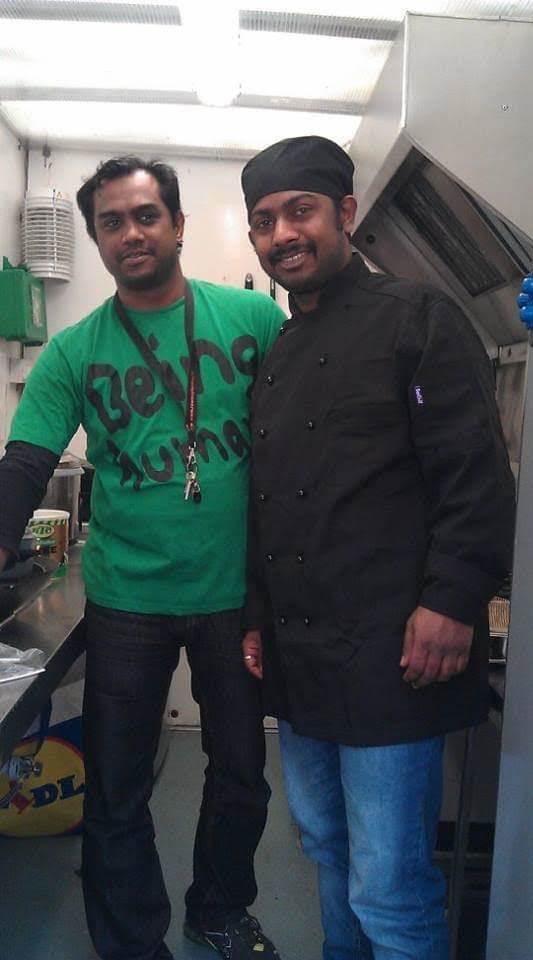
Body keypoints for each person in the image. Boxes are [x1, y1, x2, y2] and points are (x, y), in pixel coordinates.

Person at [0, 156, 285, 960]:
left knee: (241, 771)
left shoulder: (253, 322)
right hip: (127, 599)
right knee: (117, 784)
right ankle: (130, 942)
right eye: (112, 222)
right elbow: (26, 462)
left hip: (235, 596)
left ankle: (218, 909)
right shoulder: (73, 351)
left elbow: (308, 433)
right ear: (96, 239)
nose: (131, 233)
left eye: (146, 215)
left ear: (178, 224)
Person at [239, 136, 516, 960]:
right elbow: (268, 505)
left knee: (389, 888)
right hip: (302, 656)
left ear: (346, 214)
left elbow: (474, 472)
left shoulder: (418, 318)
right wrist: (257, 613)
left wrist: (452, 601)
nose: (283, 234)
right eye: (265, 221)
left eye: (301, 211)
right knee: (327, 849)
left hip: (395, 653)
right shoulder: (277, 355)